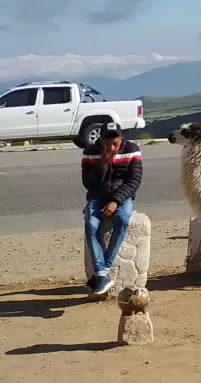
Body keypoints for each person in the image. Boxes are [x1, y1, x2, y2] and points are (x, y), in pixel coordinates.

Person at [82, 123, 143, 296]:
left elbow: (134, 181)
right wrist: (102, 164)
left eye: (115, 143)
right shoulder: (89, 151)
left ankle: (103, 269)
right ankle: (102, 274)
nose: (112, 148)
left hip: (122, 196)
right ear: (100, 141)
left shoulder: (132, 150)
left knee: (122, 219)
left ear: (121, 139)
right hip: (97, 195)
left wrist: (116, 201)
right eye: (107, 144)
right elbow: (88, 183)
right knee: (90, 224)